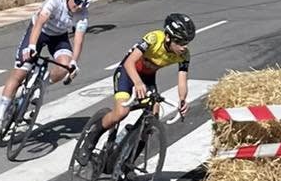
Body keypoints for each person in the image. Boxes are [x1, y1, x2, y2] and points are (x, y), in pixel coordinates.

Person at [74, 10, 196, 162]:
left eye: (187, 43)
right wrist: (137, 83)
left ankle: (127, 163)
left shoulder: (183, 55)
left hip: (147, 78)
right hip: (128, 72)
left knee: (152, 118)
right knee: (121, 112)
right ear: (168, 37)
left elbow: (182, 78)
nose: (184, 47)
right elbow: (129, 62)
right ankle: (92, 136)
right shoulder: (153, 39)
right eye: (180, 42)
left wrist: (182, 99)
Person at [0, 0, 90, 134]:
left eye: (84, 4)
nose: (80, 6)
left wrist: (74, 62)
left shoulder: (83, 14)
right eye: (77, 1)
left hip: (58, 37)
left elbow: (78, 39)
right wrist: (31, 46)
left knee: (65, 65)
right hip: (39, 32)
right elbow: (39, 24)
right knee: (20, 72)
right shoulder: (56, 0)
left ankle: (42, 85)